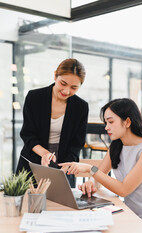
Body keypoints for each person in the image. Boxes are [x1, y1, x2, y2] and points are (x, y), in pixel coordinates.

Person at [59, 98, 142, 228]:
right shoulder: (116, 146)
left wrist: (90, 169)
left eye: (111, 122)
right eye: (106, 122)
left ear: (127, 122)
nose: (106, 127)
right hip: (130, 216)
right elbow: (99, 177)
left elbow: (124, 189)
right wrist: (91, 183)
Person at [16, 58, 89, 187]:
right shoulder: (35, 97)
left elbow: (77, 143)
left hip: (64, 164)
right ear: (55, 75)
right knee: (27, 203)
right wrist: (44, 153)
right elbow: (28, 134)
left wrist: (67, 167)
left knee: (61, 204)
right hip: (33, 158)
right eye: (63, 83)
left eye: (74, 87)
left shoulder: (81, 107)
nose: (66, 91)